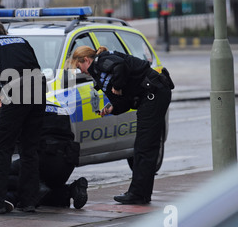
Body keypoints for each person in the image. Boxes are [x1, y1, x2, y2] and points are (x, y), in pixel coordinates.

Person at [69, 46, 173, 205]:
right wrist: (112, 108)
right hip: (149, 97)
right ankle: (140, 194)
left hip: (154, 93)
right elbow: (124, 100)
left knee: (144, 147)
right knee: (142, 147)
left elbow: (120, 66)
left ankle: (138, 194)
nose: (81, 71)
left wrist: (116, 86)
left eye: (79, 66)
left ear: (86, 60)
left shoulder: (101, 61)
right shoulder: (99, 73)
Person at [0, 20, 46, 213]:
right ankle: (29, 201)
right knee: (29, 149)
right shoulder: (20, 39)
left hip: (16, 89)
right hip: (38, 87)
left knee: (2, 148)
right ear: (4, 32)